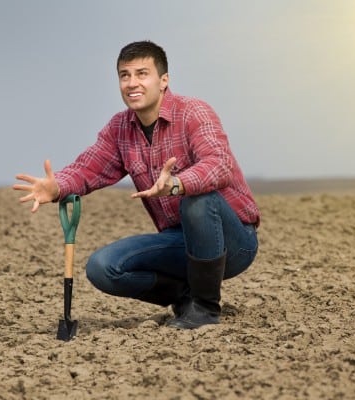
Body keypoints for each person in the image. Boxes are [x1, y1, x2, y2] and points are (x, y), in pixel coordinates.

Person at [13, 40, 260, 329]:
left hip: (233, 243)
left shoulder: (194, 112)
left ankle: (205, 310)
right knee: (103, 267)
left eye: (142, 73)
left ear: (163, 80)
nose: (132, 83)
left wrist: (179, 184)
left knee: (198, 200)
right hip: (180, 242)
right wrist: (58, 188)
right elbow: (88, 168)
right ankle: (185, 298)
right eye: (124, 75)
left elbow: (219, 165)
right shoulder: (120, 128)